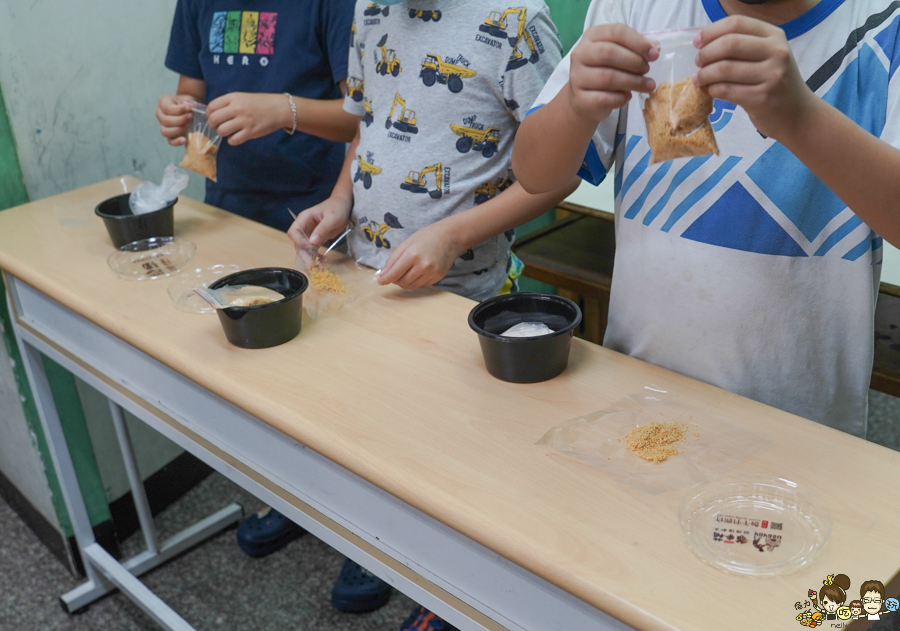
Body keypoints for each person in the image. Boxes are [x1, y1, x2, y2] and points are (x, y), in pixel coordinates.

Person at [288, 0, 579, 625]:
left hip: (467, 299)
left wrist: (454, 235)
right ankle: (384, 545)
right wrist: (341, 202)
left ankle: (458, 597)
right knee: (378, 436)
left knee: (462, 469)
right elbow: (370, 122)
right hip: (372, 283)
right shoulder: (370, 11)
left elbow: (558, 174)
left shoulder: (516, 19)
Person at [512, 0, 900, 438]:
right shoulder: (635, 7)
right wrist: (575, 105)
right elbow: (533, 174)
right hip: (637, 404)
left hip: (801, 428)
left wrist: (799, 116)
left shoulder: (883, 24)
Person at [157, 0, 359, 232]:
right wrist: (177, 112)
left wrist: (283, 110)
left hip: (312, 209)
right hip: (223, 204)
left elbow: (360, 124)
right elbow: (190, 92)